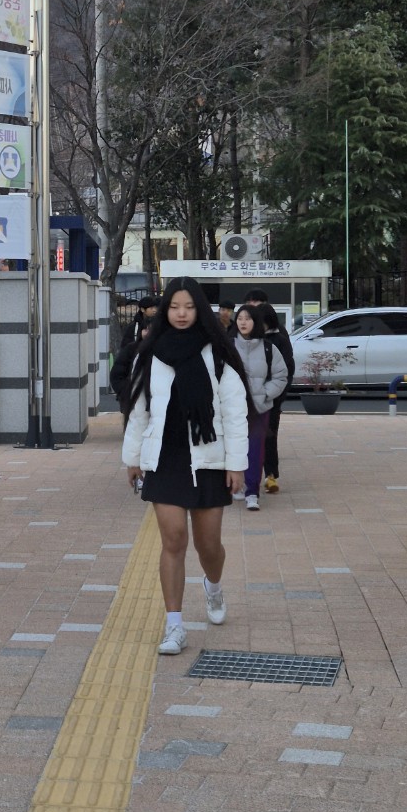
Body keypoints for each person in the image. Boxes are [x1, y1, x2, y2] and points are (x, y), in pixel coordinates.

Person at [122, 276, 251, 656]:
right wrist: (132, 458)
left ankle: (213, 586)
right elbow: (138, 410)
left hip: (210, 457)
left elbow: (235, 413)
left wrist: (237, 465)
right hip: (165, 458)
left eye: (189, 307)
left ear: (200, 310)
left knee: (208, 545)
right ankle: (174, 625)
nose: (181, 314)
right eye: (175, 307)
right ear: (166, 309)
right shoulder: (150, 354)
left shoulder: (218, 353)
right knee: (174, 540)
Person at [233, 303, 289, 511]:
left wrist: (265, 393)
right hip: (233, 408)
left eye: (248, 318)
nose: (243, 322)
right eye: (240, 318)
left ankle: (252, 493)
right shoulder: (228, 346)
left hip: (258, 409)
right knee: (234, 448)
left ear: (255, 322)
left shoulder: (268, 348)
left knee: (255, 450)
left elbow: (281, 376)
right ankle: (236, 485)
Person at [261, 303, 296, 494]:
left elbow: (287, 369)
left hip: (273, 398)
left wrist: (279, 395)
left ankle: (271, 475)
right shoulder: (249, 339)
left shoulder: (279, 340)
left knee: (269, 436)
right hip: (251, 398)